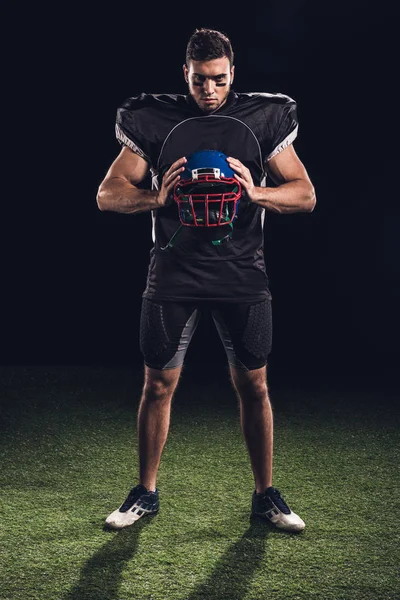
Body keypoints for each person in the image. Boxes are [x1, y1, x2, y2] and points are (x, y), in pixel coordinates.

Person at [97, 28, 316, 533]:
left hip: (241, 273)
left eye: (219, 80)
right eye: (200, 80)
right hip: (174, 272)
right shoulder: (155, 120)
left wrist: (257, 192)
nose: (210, 91)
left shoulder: (261, 118)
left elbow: (304, 195)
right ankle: (145, 494)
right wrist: (155, 197)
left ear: (233, 73)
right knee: (157, 385)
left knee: (255, 386)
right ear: (185, 75)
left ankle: (266, 497)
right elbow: (107, 194)